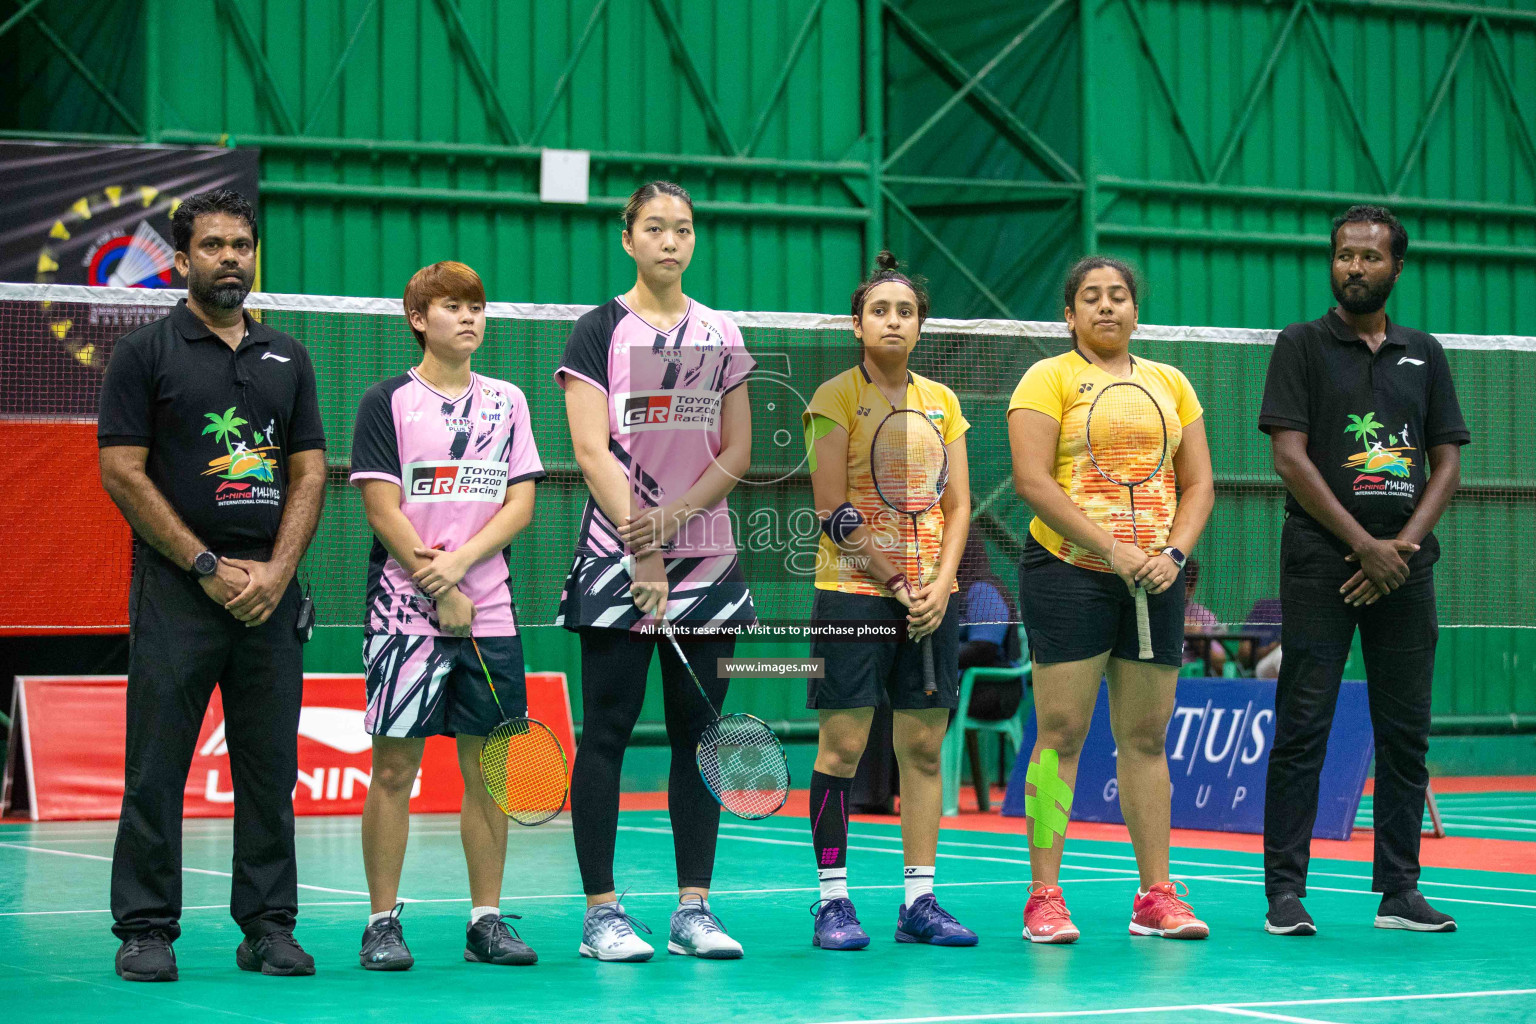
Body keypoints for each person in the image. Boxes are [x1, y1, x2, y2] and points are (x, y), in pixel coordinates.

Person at [97, 189, 326, 981]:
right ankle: (147, 929)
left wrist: (278, 571)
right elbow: (121, 472)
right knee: (156, 764)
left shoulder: (287, 357)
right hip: (177, 592)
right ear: (184, 256)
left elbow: (310, 469)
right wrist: (203, 565)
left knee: (269, 768)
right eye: (215, 245)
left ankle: (268, 926)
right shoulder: (145, 353)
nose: (230, 257)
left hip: (268, 595)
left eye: (241, 244)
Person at [556, 181, 756, 962]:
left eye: (683, 229)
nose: (671, 241)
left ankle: (692, 909)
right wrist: (642, 548)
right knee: (604, 732)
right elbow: (588, 449)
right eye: (655, 228)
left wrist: (673, 528)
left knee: (698, 736)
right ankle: (602, 912)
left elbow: (736, 452)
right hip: (616, 559)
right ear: (628, 238)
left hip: (706, 563)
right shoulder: (598, 330)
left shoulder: (720, 330)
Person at [1259, 205, 1469, 937]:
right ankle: (1285, 891)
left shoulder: (1425, 353)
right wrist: (1363, 547)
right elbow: (1290, 456)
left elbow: (1447, 458)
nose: (1355, 267)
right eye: (1344, 255)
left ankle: (1399, 890)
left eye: (1370, 258)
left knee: (1405, 729)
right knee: (1303, 724)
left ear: (1396, 268)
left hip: (1406, 569)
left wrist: (1401, 550)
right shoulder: (1301, 345)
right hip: (1323, 564)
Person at [1007, 256, 1214, 944]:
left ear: (1134, 310)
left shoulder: (1171, 384)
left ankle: (1156, 894)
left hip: (1153, 579)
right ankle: (1044, 894)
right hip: (1070, 572)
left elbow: (1199, 484)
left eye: (1118, 296)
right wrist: (1111, 547)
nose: (1105, 307)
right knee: (1060, 736)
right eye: (1090, 298)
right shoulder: (1049, 379)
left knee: (1146, 739)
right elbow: (1034, 482)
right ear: (1070, 316)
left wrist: (1172, 555)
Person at [349, 262, 546, 970]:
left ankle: (486, 920)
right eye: (452, 306)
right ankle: (380, 922)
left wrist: (461, 570)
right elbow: (381, 507)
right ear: (418, 318)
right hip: (404, 615)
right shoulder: (389, 401)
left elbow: (520, 502)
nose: (469, 318)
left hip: (490, 613)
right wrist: (438, 587)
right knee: (396, 767)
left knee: (490, 771)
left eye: (476, 307)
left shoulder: (509, 401)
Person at [802, 251, 977, 951]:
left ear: (920, 324)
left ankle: (919, 901)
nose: (894, 320)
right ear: (857, 324)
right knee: (843, 745)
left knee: (924, 750)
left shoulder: (944, 403)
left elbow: (959, 505)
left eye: (906, 311)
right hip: (852, 592)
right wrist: (897, 580)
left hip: (932, 598)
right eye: (881, 310)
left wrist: (937, 584)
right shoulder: (833, 398)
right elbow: (831, 511)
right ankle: (832, 901)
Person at [1181, 559, 1226, 675]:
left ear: (1192, 588)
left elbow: (1220, 662)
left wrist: (1198, 637)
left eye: (1186, 583)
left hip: (1187, 674)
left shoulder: (1204, 616)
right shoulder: (1147, 611)